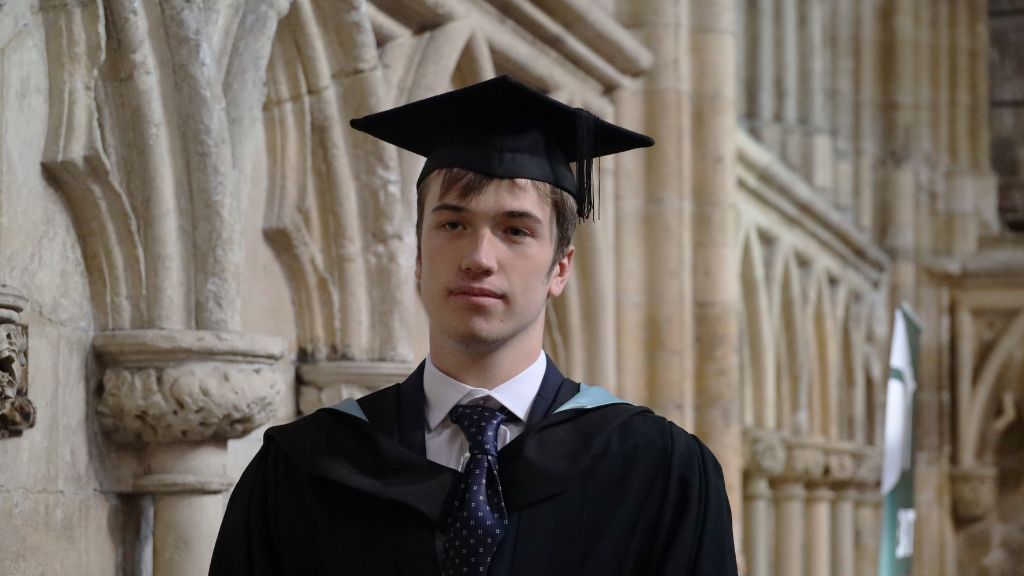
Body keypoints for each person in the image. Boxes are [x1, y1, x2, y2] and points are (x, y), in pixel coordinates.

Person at [209, 76, 738, 576]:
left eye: (514, 229)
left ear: (561, 267)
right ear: (419, 254)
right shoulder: (307, 467)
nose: (479, 257)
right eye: (454, 224)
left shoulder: (660, 471)